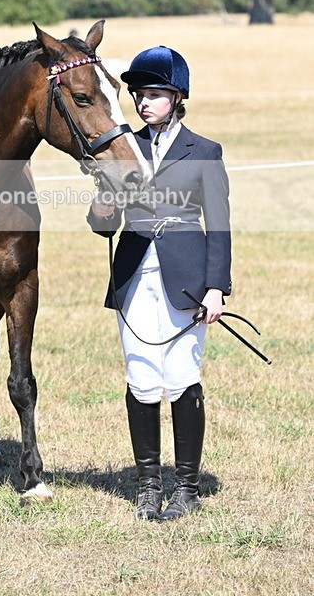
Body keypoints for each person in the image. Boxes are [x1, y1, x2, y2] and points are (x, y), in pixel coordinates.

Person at [88, 45, 231, 522]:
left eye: (153, 94)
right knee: (141, 377)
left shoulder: (204, 151)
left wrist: (216, 287)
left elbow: (220, 224)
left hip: (187, 278)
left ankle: (186, 488)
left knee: (183, 376)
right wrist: (104, 203)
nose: (143, 103)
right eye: (139, 95)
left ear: (177, 96)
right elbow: (102, 222)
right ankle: (149, 487)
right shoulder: (123, 147)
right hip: (133, 275)